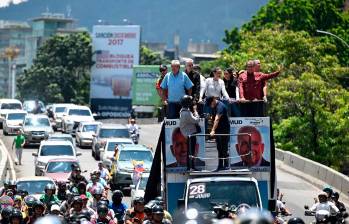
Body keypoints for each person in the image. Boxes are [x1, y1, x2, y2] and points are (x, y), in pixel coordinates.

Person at [179, 95, 202, 170]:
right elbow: (196, 120)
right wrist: (195, 111)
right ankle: (191, 167)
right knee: (191, 151)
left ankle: (190, 166)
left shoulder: (183, 111)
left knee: (190, 150)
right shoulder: (186, 113)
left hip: (188, 133)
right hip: (190, 134)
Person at [206, 96, 230, 171]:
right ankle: (220, 166)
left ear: (213, 100)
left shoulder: (220, 106)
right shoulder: (214, 106)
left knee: (224, 148)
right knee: (219, 148)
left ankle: (226, 166)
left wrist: (213, 130)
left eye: (210, 103)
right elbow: (213, 118)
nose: (210, 105)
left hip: (224, 130)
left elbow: (217, 119)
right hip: (218, 130)